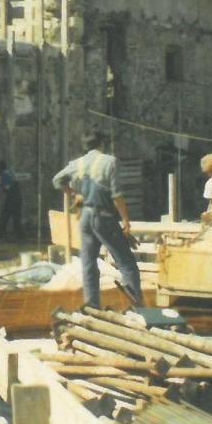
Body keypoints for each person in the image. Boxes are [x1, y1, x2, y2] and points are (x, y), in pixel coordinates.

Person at [52, 132, 143, 308]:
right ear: (101, 144)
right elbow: (117, 195)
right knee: (127, 263)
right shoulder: (110, 161)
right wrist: (125, 220)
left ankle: (92, 305)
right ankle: (136, 306)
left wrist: (74, 194)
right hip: (104, 217)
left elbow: (57, 180)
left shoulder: (76, 164)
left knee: (88, 264)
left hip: (85, 217)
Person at [0, 159, 23, 239]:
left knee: (5, 217)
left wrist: (1, 188)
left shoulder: (4, 175)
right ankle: (20, 236)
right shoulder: (10, 172)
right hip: (18, 198)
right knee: (16, 218)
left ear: (0, 168)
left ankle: (0, 235)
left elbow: (7, 188)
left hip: (12, 199)